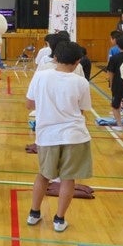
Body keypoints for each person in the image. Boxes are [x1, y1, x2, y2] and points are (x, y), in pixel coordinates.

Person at [25, 41, 92, 232]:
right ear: (78, 61)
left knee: (44, 175)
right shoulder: (81, 82)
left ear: (54, 57)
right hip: (74, 135)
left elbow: (29, 104)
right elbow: (82, 110)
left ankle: (34, 213)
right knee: (68, 178)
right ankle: (59, 219)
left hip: (47, 135)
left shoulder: (40, 76)